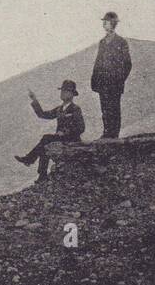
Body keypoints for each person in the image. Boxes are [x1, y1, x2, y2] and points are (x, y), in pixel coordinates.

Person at [15, 79, 86, 180]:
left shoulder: (75, 109)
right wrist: (34, 100)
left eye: (65, 91)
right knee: (45, 144)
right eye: (62, 91)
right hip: (60, 138)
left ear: (71, 94)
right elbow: (42, 114)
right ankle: (41, 174)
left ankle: (31, 161)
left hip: (72, 139)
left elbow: (81, 128)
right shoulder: (59, 109)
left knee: (46, 139)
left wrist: (65, 132)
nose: (62, 93)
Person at [90, 11, 132, 139]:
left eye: (106, 21)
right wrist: (94, 79)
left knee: (114, 109)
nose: (104, 23)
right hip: (103, 82)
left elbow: (128, 64)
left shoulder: (121, 42)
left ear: (113, 23)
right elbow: (98, 62)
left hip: (114, 83)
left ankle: (114, 135)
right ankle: (106, 133)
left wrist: (119, 80)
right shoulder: (102, 42)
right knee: (105, 109)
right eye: (104, 21)